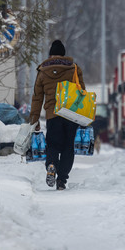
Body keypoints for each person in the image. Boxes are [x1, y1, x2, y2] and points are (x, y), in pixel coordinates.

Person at [30, 39, 86, 190]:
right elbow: (82, 92)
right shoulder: (74, 69)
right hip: (70, 114)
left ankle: (52, 165)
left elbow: (37, 97)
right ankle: (61, 180)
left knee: (53, 145)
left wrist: (34, 120)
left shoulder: (42, 71)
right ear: (63, 53)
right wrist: (84, 117)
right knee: (68, 147)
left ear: (50, 54)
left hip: (52, 115)